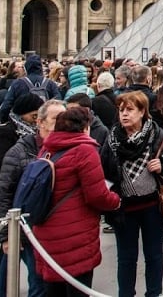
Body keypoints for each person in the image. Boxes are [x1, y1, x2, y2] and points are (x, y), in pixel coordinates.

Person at [104, 91, 163, 297]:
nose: (124, 114)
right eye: (121, 110)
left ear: (142, 112)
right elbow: (103, 168)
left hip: (152, 206)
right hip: (123, 209)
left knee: (154, 255)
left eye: (130, 109)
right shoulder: (113, 137)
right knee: (126, 258)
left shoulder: (157, 134)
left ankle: (154, 293)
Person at [32, 107, 121, 297]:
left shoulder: (46, 148)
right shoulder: (84, 150)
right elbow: (97, 194)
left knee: (54, 289)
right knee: (77, 288)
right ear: (85, 127)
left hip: (47, 228)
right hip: (75, 231)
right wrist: (116, 201)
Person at [0, 99, 66, 297]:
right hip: (27, 230)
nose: (62, 123)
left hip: (57, 231)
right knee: (37, 284)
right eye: (56, 119)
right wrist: (6, 235)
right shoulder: (20, 151)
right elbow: (3, 193)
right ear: (40, 122)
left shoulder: (67, 148)